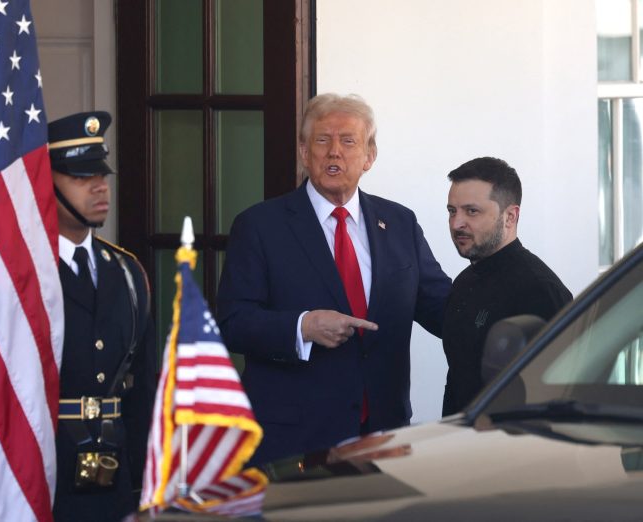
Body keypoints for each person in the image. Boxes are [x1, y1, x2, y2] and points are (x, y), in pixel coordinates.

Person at [217, 93, 451, 464]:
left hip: (382, 432)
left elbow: (442, 308)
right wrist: (302, 327)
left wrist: (503, 301)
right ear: (304, 152)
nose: (334, 152)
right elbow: (233, 322)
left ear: (369, 156)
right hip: (296, 438)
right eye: (322, 140)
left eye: (348, 141)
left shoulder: (399, 223)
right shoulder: (260, 226)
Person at [48, 111, 155, 521]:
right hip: (41, 469)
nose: (99, 187)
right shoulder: (23, 271)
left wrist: (146, 479)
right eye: (81, 177)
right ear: (45, 183)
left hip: (112, 473)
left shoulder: (127, 271)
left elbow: (143, 388)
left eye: (102, 175)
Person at [442, 156, 573, 416]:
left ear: (510, 216)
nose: (456, 223)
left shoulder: (540, 290)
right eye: (452, 211)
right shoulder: (463, 282)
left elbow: (556, 398)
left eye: (472, 211)